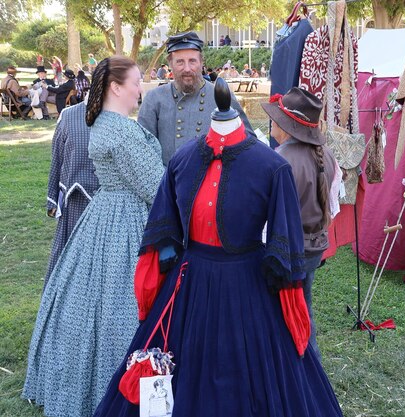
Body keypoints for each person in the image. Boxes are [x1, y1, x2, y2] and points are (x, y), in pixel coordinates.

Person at [93, 78, 343, 417]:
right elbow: (162, 235)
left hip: (250, 286)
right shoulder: (182, 161)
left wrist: (285, 297)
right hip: (190, 284)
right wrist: (154, 291)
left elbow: (286, 245)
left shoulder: (273, 167)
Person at [22, 55, 165, 417]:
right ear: (116, 87)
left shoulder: (105, 122)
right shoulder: (117, 131)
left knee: (92, 303)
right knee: (121, 303)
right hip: (125, 220)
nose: (140, 89)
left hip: (105, 214)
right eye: (136, 82)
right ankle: (118, 386)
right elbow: (156, 187)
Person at [262, 87, 337, 360]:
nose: (271, 122)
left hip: (289, 251)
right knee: (302, 306)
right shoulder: (325, 154)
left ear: (287, 125)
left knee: (291, 312)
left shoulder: (281, 160)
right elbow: (331, 204)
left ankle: (304, 368)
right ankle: (304, 364)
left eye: (275, 118)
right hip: (313, 247)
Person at [138, 31, 254, 164]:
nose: (187, 68)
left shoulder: (220, 95)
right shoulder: (154, 99)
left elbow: (248, 143)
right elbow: (142, 151)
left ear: (201, 62)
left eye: (192, 61)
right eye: (180, 62)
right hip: (167, 182)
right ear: (170, 64)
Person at [43, 100, 99, 286]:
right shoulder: (69, 115)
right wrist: (52, 199)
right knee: (69, 265)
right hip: (75, 201)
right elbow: (57, 157)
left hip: (106, 204)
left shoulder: (120, 117)